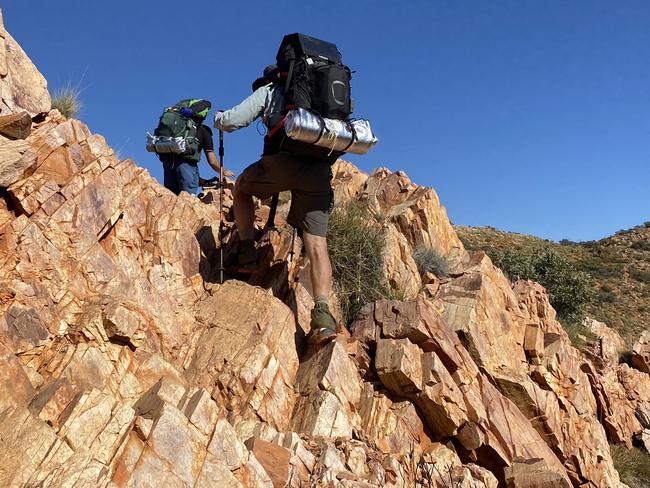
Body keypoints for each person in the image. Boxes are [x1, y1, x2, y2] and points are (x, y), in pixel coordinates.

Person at [214, 65, 337, 345]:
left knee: (241, 188)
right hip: (319, 170)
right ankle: (323, 317)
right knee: (317, 244)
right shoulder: (320, 96)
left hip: (282, 163)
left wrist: (220, 118)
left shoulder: (270, 91)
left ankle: (247, 251)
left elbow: (234, 120)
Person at [159, 102, 231, 195]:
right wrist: (224, 172)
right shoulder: (204, 131)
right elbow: (212, 161)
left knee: (170, 198)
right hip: (187, 166)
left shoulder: (177, 128)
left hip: (168, 164)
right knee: (187, 200)